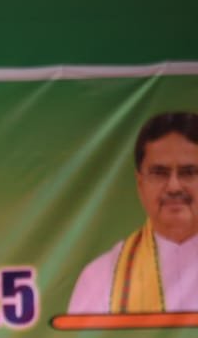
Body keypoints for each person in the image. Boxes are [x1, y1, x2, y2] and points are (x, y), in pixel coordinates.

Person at [67, 110, 198, 314]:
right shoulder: (101, 278)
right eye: (159, 173)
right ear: (140, 183)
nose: (174, 186)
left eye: (189, 172)